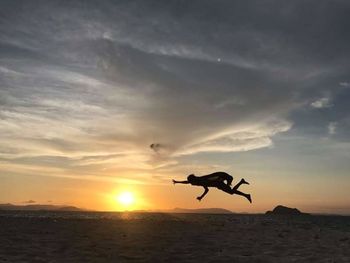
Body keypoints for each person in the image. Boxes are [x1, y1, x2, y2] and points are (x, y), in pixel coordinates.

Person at [172, 171, 252, 203]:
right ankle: (243, 186)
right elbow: (187, 182)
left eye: (191, 182)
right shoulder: (199, 181)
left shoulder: (201, 181)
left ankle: (244, 190)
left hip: (221, 180)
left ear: (194, 180)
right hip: (219, 182)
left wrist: (224, 180)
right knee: (231, 192)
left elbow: (214, 178)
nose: (191, 184)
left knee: (231, 192)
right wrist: (177, 182)